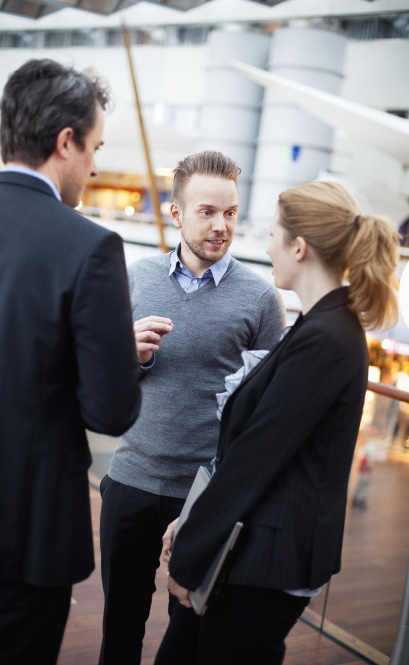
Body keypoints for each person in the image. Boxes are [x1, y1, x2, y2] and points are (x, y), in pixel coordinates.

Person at [155, 180, 400, 665]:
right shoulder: (322, 325)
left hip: (266, 561)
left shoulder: (326, 337)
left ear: (299, 247)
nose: (266, 248)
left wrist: (190, 553)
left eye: (271, 235)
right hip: (254, 548)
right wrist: (191, 523)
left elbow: (255, 457)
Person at [98, 150, 286, 665]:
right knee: (119, 632)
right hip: (131, 483)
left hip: (206, 496)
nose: (221, 226)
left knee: (190, 640)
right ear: (177, 213)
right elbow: (101, 385)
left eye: (230, 212)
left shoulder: (261, 300)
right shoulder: (134, 278)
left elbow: (262, 410)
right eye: (207, 212)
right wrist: (126, 357)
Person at [0, 59, 141, 665]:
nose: (95, 165)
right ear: (65, 143)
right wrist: (110, 353)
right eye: (95, 148)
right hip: (26, 536)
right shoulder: (88, 246)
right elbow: (110, 411)